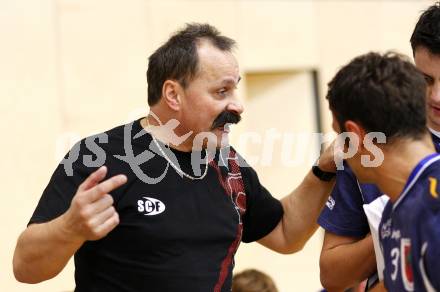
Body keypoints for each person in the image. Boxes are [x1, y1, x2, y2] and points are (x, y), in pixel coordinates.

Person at [12, 23, 337, 292]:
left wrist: (323, 171)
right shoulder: (100, 157)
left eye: (235, 90)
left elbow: (284, 233)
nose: (237, 105)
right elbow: (26, 267)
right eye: (222, 92)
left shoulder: (229, 165)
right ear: (173, 94)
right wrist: (70, 227)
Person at [318, 3, 440, 291]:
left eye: (342, 138)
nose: (437, 96)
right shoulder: (393, 213)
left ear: (355, 136)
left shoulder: (427, 208)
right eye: (426, 80)